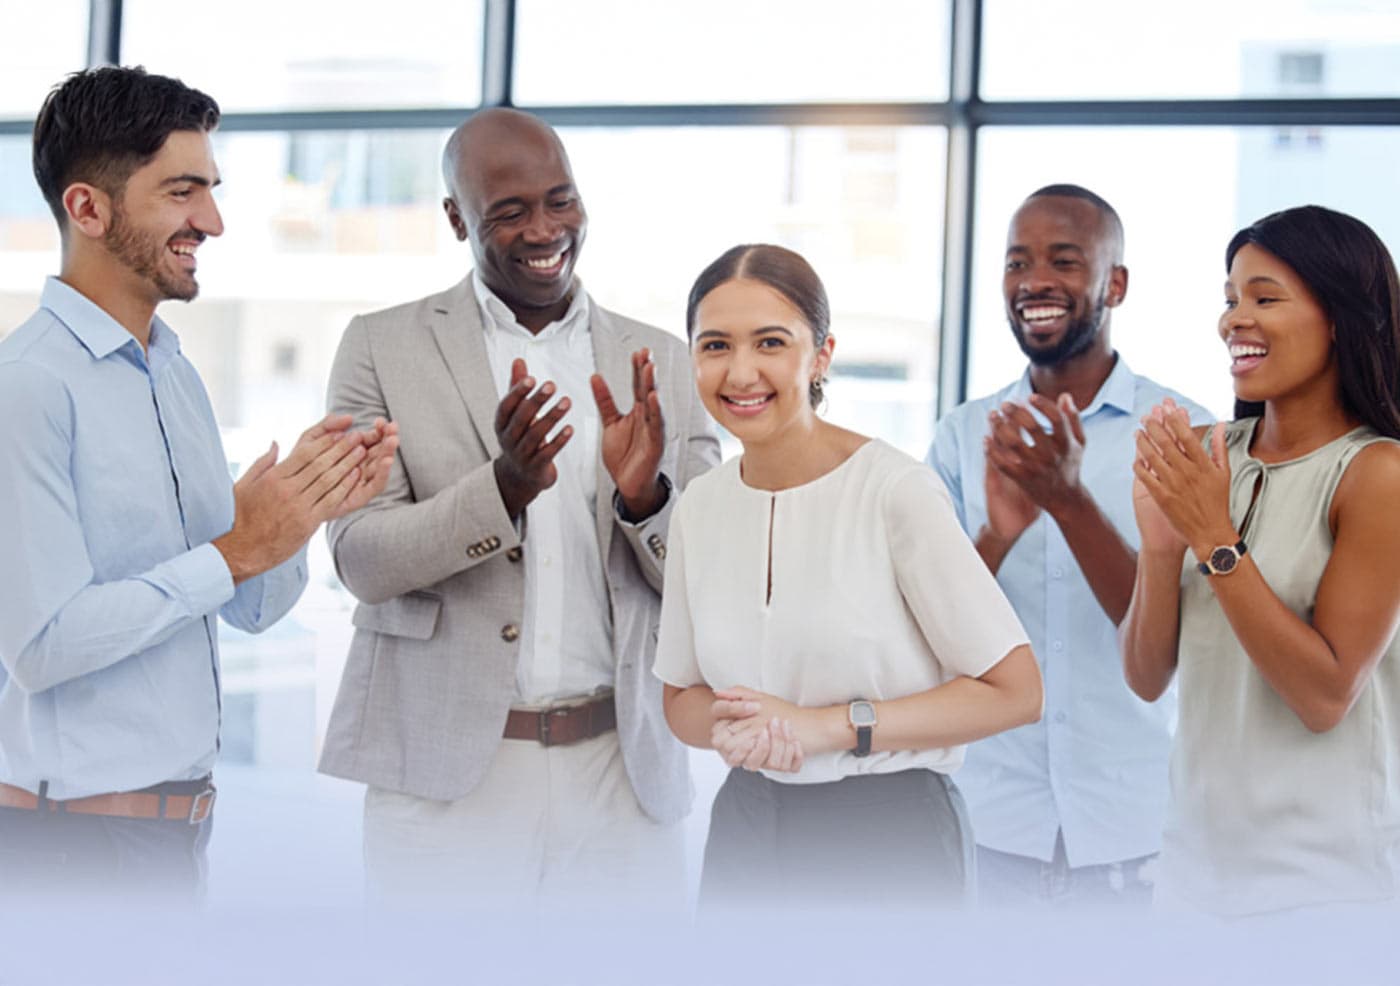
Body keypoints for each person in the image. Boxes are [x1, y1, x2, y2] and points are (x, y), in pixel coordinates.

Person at [0, 66, 397, 898]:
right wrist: (235, 546)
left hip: (172, 842)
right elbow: (42, 649)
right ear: (88, 209)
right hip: (64, 849)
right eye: (183, 192)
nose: (211, 222)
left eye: (210, 191)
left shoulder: (174, 372)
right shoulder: (26, 387)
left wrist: (300, 512)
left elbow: (248, 605)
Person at [318, 108, 719, 908]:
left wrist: (645, 499)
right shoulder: (380, 347)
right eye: (508, 212)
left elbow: (709, 582)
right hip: (445, 782)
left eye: (561, 201)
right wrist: (500, 490)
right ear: (455, 218)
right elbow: (359, 560)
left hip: (622, 774)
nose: (545, 229)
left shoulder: (663, 363)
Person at [654, 243, 1042, 911]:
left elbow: (1015, 692)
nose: (740, 371)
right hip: (748, 827)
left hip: (891, 836)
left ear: (822, 354)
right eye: (715, 346)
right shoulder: (699, 507)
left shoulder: (895, 491)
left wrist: (827, 727)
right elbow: (682, 699)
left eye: (770, 342)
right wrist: (748, 729)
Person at [926, 184, 1211, 910]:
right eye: (1017, 263)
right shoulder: (963, 436)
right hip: (988, 825)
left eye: (1064, 260)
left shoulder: (1188, 434)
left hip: (1131, 832)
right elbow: (931, 635)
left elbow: (1171, 643)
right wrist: (1000, 531)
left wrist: (1069, 502)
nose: (1035, 282)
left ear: (1114, 283)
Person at [1122, 205, 1400, 916]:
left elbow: (1325, 697)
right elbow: (1147, 676)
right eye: (1229, 299)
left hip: (1318, 891)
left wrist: (1213, 537)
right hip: (1189, 877)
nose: (1233, 320)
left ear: (1340, 317)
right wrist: (1160, 547)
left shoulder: (1376, 474)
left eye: (1264, 298)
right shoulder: (1210, 456)